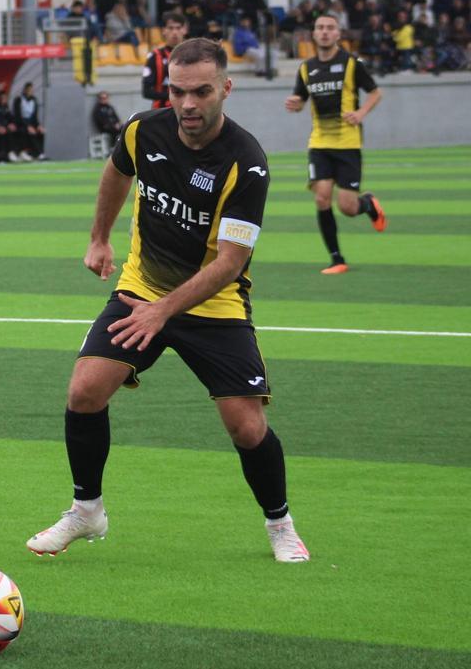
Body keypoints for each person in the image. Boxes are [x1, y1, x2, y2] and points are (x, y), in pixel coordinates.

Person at [26, 38, 310, 565]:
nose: (188, 104)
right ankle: (86, 509)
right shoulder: (142, 129)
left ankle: (280, 523)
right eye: (178, 91)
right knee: (85, 390)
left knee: (245, 426)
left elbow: (229, 263)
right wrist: (99, 238)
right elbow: (116, 173)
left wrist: (163, 311)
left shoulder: (247, 164)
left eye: (202, 91)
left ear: (226, 88)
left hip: (215, 304)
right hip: (141, 288)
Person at [285, 12, 386, 274]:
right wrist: (294, 105)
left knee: (348, 207)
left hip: (348, 143)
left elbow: (376, 92)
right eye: (320, 27)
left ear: (338, 33)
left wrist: (361, 113)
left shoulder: (352, 63)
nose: (325, 32)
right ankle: (337, 259)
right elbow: (300, 100)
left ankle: (368, 204)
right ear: (314, 33)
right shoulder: (306, 68)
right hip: (319, 142)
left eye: (330, 27)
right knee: (321, 198)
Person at [143, 11, 187, 109]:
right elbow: (146, 92)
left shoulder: (194, 55)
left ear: (184, 30)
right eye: (171, 28)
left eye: (178, 28)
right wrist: (175, 95)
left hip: (187, 110)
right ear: (164, 31)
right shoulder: (154, 56)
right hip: (161, 112)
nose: (175, 32)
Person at [12, 81, 45, 161]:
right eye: (28, 90)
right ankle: (25, 152)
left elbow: (35, 117)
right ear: (24, 90)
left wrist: (39, 125)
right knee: (27, 131)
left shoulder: (34, 100)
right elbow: (18, 116)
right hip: (20, 123)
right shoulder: (18, 100)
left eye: (31, 90)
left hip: (30, 122)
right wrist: (27, 126)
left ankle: (37, 153)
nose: (30, 91)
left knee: (41, 131)